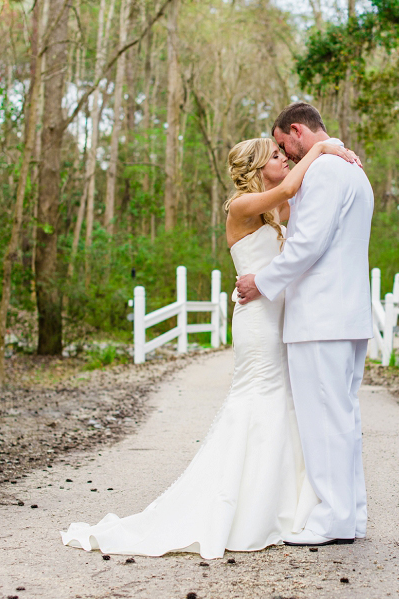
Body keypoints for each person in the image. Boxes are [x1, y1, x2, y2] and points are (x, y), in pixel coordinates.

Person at [60, 136, 361, 560]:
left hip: (282, 317)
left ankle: (288, 509)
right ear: (257, 168)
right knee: (257, 400)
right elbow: (292, 187)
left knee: (287, 406)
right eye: (276, 156)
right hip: (258, 322)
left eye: (283, 154)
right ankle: (240, 507)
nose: (284, 159)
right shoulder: (240, 206)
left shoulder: (275, 212)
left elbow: (303, 226)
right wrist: (324, 147)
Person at [235, 102, 374, 546]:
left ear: (296, 132)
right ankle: (351, 516)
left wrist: (263, 281)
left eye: (281, 145)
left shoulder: (326, 171)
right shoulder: (353, 170)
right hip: (347, 315)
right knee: (344, 419)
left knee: (324, 422)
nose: (284, 155)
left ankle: (332, 520)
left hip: (320, 318)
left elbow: (308, 245)